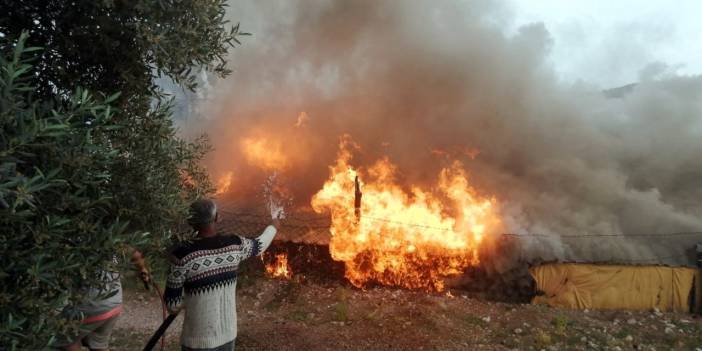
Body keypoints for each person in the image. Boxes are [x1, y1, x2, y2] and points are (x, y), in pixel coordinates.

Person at [165, 199, 279, 351]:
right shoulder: (234, 245)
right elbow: (260, 244)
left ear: (190, 221)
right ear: (217, 217)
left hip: (198, 341)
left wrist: (194, 300)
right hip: (228, 336)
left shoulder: (181, 255)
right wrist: (274, 226)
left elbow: (172, 305)